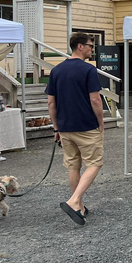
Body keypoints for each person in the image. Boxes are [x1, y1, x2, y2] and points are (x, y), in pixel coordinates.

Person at [46, 32, 103, 225]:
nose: (91, 50)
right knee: (94, 163)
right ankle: (73, 201)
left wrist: (56, 128)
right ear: (80, 46)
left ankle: (79, 206)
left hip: (64, 126)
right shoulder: (88, 70)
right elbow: (95, 99)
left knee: (73, 165)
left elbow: (51, 103)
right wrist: (101, 122)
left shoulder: (56, 70)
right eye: (90, 46)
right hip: (86, 125)